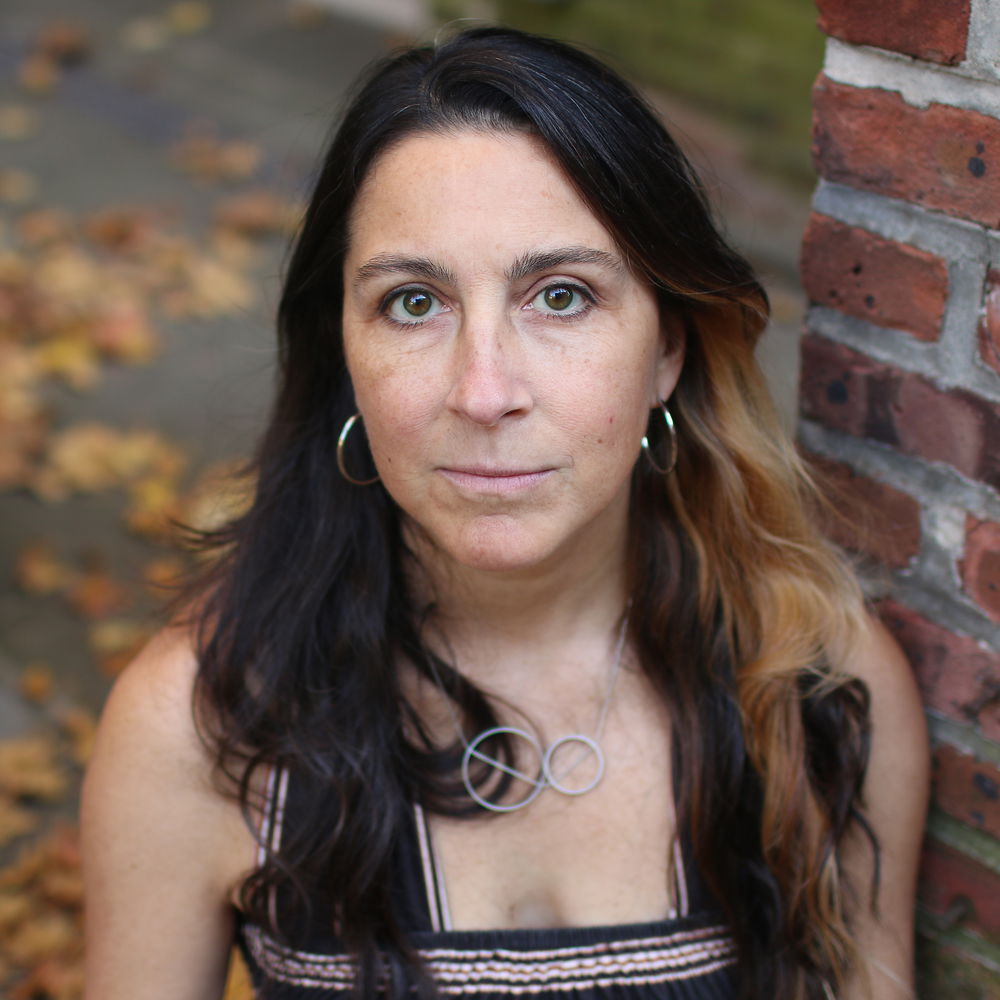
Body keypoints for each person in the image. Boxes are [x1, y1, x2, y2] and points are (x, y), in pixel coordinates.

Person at [81, 26, 928, 1000]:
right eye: (412, 303)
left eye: (560, 296)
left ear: (667, 349)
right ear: (343, 354)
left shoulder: (813, 679)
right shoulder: (207, 718)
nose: (483, 391)